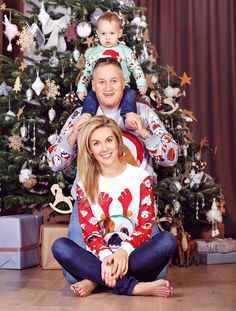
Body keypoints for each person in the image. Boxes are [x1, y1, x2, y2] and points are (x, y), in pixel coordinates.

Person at [47, 57, 178, 283]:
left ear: (124, 82)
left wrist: (145, 132)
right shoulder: (81, 117)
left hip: (135, 206)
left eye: (114, 81)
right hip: (91, 202)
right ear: (93, 87)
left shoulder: (143, 113)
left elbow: (171, 158)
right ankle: (128, 284)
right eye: (102, 82)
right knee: (71, 274)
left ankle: (97, 280)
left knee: (161, 269)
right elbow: (54, 162)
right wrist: (74, 136)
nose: (108, 88)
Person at [52, 115, 177, 297]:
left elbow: (145, 225)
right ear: (90, 150)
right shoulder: (84, 185)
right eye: (96, 143)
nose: (104, 148)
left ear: (118, 142)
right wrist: (105, 258)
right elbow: (91, 233)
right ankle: (132, 287)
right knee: (60, 246)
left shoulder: (141, 178)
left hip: (134, 257)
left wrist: (123, 252)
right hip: (98, 259)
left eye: (109, 140)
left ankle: (95, 280)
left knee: (167, 240)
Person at [77, 12, 147, 125]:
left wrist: (141, 82)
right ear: (97, 34)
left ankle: (129, 115)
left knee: (129, 95)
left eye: (112, 33)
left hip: (122, 88)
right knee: (91, 96)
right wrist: (82, 86)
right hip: (99, 89)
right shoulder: (93, 53)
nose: (107, 37)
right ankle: (87, 115)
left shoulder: (126, 51)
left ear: (119, 33)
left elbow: (136, 68)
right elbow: (87, 72)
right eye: (103, 33)